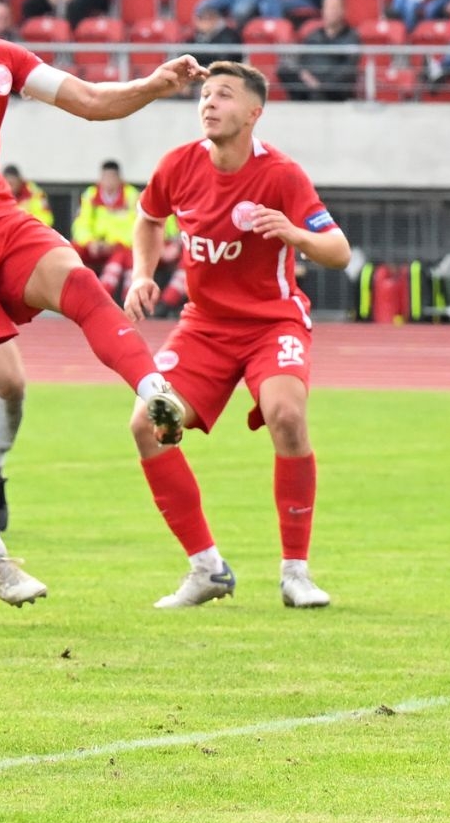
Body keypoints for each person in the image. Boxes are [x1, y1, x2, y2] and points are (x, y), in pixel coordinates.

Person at [0, 0, 201, 605]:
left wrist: (154, 85)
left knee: (81, 286)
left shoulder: (4, 60)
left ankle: (153, 389)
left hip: (0, 217)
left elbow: (91, 100)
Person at [124, 61, 351, 610]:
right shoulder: (178, 164)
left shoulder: (282, 175)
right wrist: (142, 274)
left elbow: (339, 251)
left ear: (254, 112)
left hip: (272, 323)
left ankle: (295, 573)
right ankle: (206, 569)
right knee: (146, 423)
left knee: (287, 416)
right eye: (205, 94)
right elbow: (149, 218)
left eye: (223, 95)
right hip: (203, 326)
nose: (209, 102)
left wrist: (294, 233)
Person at [72, 160, 142, 298]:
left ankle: (104, 296)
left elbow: (136, 228)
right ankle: (72, 294)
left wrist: (112, 243)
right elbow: (81, 224)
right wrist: (90, 242)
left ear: (119, 178)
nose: (109, 182)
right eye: (105, 177)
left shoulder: (132, 196)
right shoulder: (90, 194)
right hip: (95, 245)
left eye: (112, 177)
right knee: (71, 250)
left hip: (119, 245)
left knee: (123, 256)